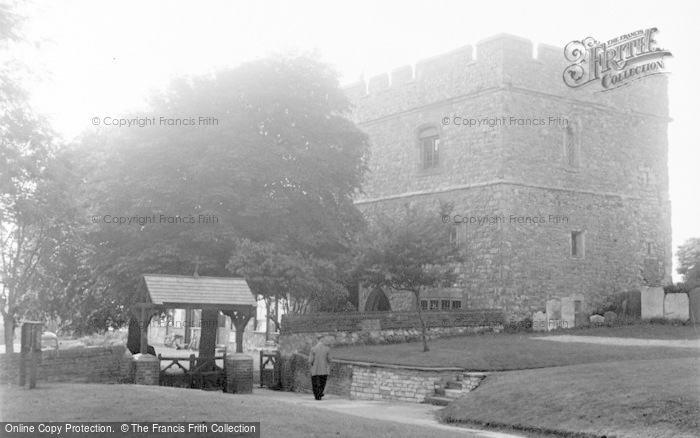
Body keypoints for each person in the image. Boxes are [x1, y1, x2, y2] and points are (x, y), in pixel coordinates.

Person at [308, 336, 332, 400]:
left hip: (315, 369)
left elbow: (310, 360)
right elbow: (329, 359)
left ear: (317, 340)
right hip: (324, 369)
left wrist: (310, 367)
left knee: (315, 383)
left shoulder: (313, 349)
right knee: (322, 383)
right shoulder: (327, 349)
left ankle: (316, 395)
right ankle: (320, 394)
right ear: (322, 340)